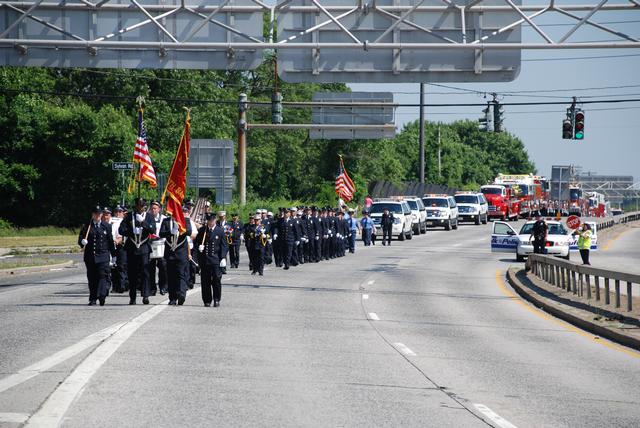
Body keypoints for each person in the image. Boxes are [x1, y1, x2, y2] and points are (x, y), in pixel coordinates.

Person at [119, 198, 156, 305]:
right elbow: (121, 230)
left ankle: (145, 295)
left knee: (145, 272)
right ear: (136, 206)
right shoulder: (129, 216)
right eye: (139, 206)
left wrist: (143, 223)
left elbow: (153, 230)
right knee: (132, 273)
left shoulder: (149, 217)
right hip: (132, 247)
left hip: (144, 247)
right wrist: (131, 230)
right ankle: (133, 297)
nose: (141, 208)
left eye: (143, 206)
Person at [79, 206, 116, 306]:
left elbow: (110, 241)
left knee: (102, 275)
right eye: (96, 213)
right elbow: (81, 239)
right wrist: (82, 242)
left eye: (99, 214)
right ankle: (93, 298)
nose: (98, 215)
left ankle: (102, 295)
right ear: (92, 215)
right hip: (90, 256)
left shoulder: (106, 226)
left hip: (103, 255)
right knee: (92, 278)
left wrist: (114, 255)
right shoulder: (87, 226)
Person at [160, 209, 192, 305]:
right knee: (171, 276)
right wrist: (171, 232)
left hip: (181, 252)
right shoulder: (166, 221)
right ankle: (172, 298)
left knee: (181, 274)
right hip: (170, 253)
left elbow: (189, 231)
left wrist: (179, 229)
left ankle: (181, 294)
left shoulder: (185, 220)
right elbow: (161, 233)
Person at [196, 213, 228, 307]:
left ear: (215, 220)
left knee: (216, 280)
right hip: (205, 260)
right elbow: (197, 242)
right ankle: (207, 300)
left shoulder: (220, 231)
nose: (211, 222)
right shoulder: (202, 230)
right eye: (209, 220)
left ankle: (217, 299)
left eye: (212, 220)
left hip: (215, 260)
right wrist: (199, 246)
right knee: (205, 281)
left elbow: (224, 245)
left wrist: (223, 257)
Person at [148, 200, 168, 296]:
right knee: (150, 268)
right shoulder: (147, 218)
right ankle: (152, 288)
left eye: (155, 208)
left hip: (161, 245)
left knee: (163, 267)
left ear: (159, 209)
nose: (153, 210)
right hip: (150, 245)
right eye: (152, 208)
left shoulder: (164, 218)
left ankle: (163, 286)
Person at [109, 206, 128, 293]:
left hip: (121, 246)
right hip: (111, 246)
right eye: (116, 212)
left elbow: (124, 234)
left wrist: (119, 240)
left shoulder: (125, 222)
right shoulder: (110, 221)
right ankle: (115, 286)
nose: (118, 214)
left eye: (120, 212)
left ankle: (122, 285)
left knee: (121, 266)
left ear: (123, 213)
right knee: (113, 267)